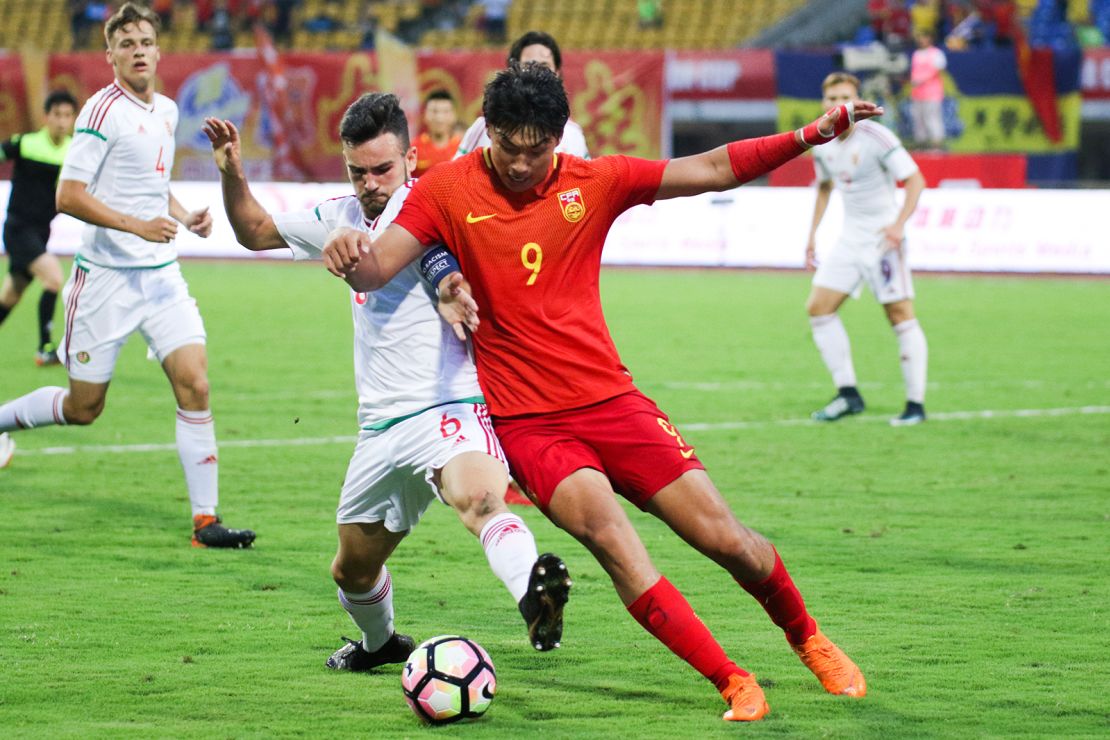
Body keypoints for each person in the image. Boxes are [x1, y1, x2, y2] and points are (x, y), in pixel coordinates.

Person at [322, 64, 879, 722]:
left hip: (613, 403)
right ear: (488, 133)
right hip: (531, 428)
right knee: (615, 544)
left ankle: (808, 638)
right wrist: (347, 248)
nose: (522, 163)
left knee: (727, 539)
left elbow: (710, 168)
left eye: (538, 149)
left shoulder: (596, 181)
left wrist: (808, 135)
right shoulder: (447, 189)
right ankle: (730, 679)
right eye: (507, 147)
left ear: (561, 137)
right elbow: (380, 263)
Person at [202, 92, 572, 669]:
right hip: (379, 427)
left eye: (382, 168)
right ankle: (379, 645)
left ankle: (534, 591)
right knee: (351, 568)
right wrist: (232, 173)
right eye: (358, 171)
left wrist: (452, 290)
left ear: (411, 158)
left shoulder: (436, 205)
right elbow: (252, 230)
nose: (371, 182)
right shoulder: (338, 214)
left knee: (478, 499)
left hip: (448, 402)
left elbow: (437, 257)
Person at [0, 3, 255, 549]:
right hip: (106, 281)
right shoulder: (99, 112)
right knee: (83, 408)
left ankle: (206, 522)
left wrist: (185, 215)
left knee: (196, 383)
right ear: (110, 54)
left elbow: (150, 182)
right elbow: (69, 196)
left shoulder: (165, 110)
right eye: (127, 43)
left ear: (159, 51)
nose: (139, 50)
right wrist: (135, 225)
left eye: (146, 41)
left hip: (161, 277)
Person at [805, 72, 928, 426]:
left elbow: (916, 179)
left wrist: (898, 225)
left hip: (882, 240)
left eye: (845, 97)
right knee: (818, 308)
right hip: (849, 238)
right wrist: (812, 235)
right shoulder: (821, 141)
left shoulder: (876, 135)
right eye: (831, 98)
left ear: (855, 102)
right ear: (823, 102)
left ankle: (915, 405)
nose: (836, 104)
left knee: (900, 315)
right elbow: (825, 188)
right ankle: (848, 395)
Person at [0, 90, 78, 367]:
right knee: (54, 279)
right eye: (57, 115)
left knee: (12, 293)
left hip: (41, 232)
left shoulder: (74, 152)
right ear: (46, 117)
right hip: (18, 229)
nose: (62, 121)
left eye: (68, 115)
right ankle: (45, 348)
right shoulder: (26, 144)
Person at [454, 30, 589, 160]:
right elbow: (456, 177)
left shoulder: (573, 134)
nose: (536, 72)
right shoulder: (484, 127)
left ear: (558, 73)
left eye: (544, 66)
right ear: (512, 71)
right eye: (528, 65)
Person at [909, 29, 947, 149]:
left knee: (932, 117)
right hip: (917, 93)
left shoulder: (937, 53)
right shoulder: (916, 54)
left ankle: (937, 143)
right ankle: (922, 143)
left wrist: (922, 80)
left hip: (932, 92)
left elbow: (938, 71)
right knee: (919, 119)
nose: (922, 40)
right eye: (920, 37)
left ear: (930, 39)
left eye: (925, 37)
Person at [412, 90, 462, 178]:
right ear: (425, 115)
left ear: (454, 115)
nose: (440, 118)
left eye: (445, 112)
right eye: (434, 111)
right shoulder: (414, 148)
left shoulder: (462, 148)